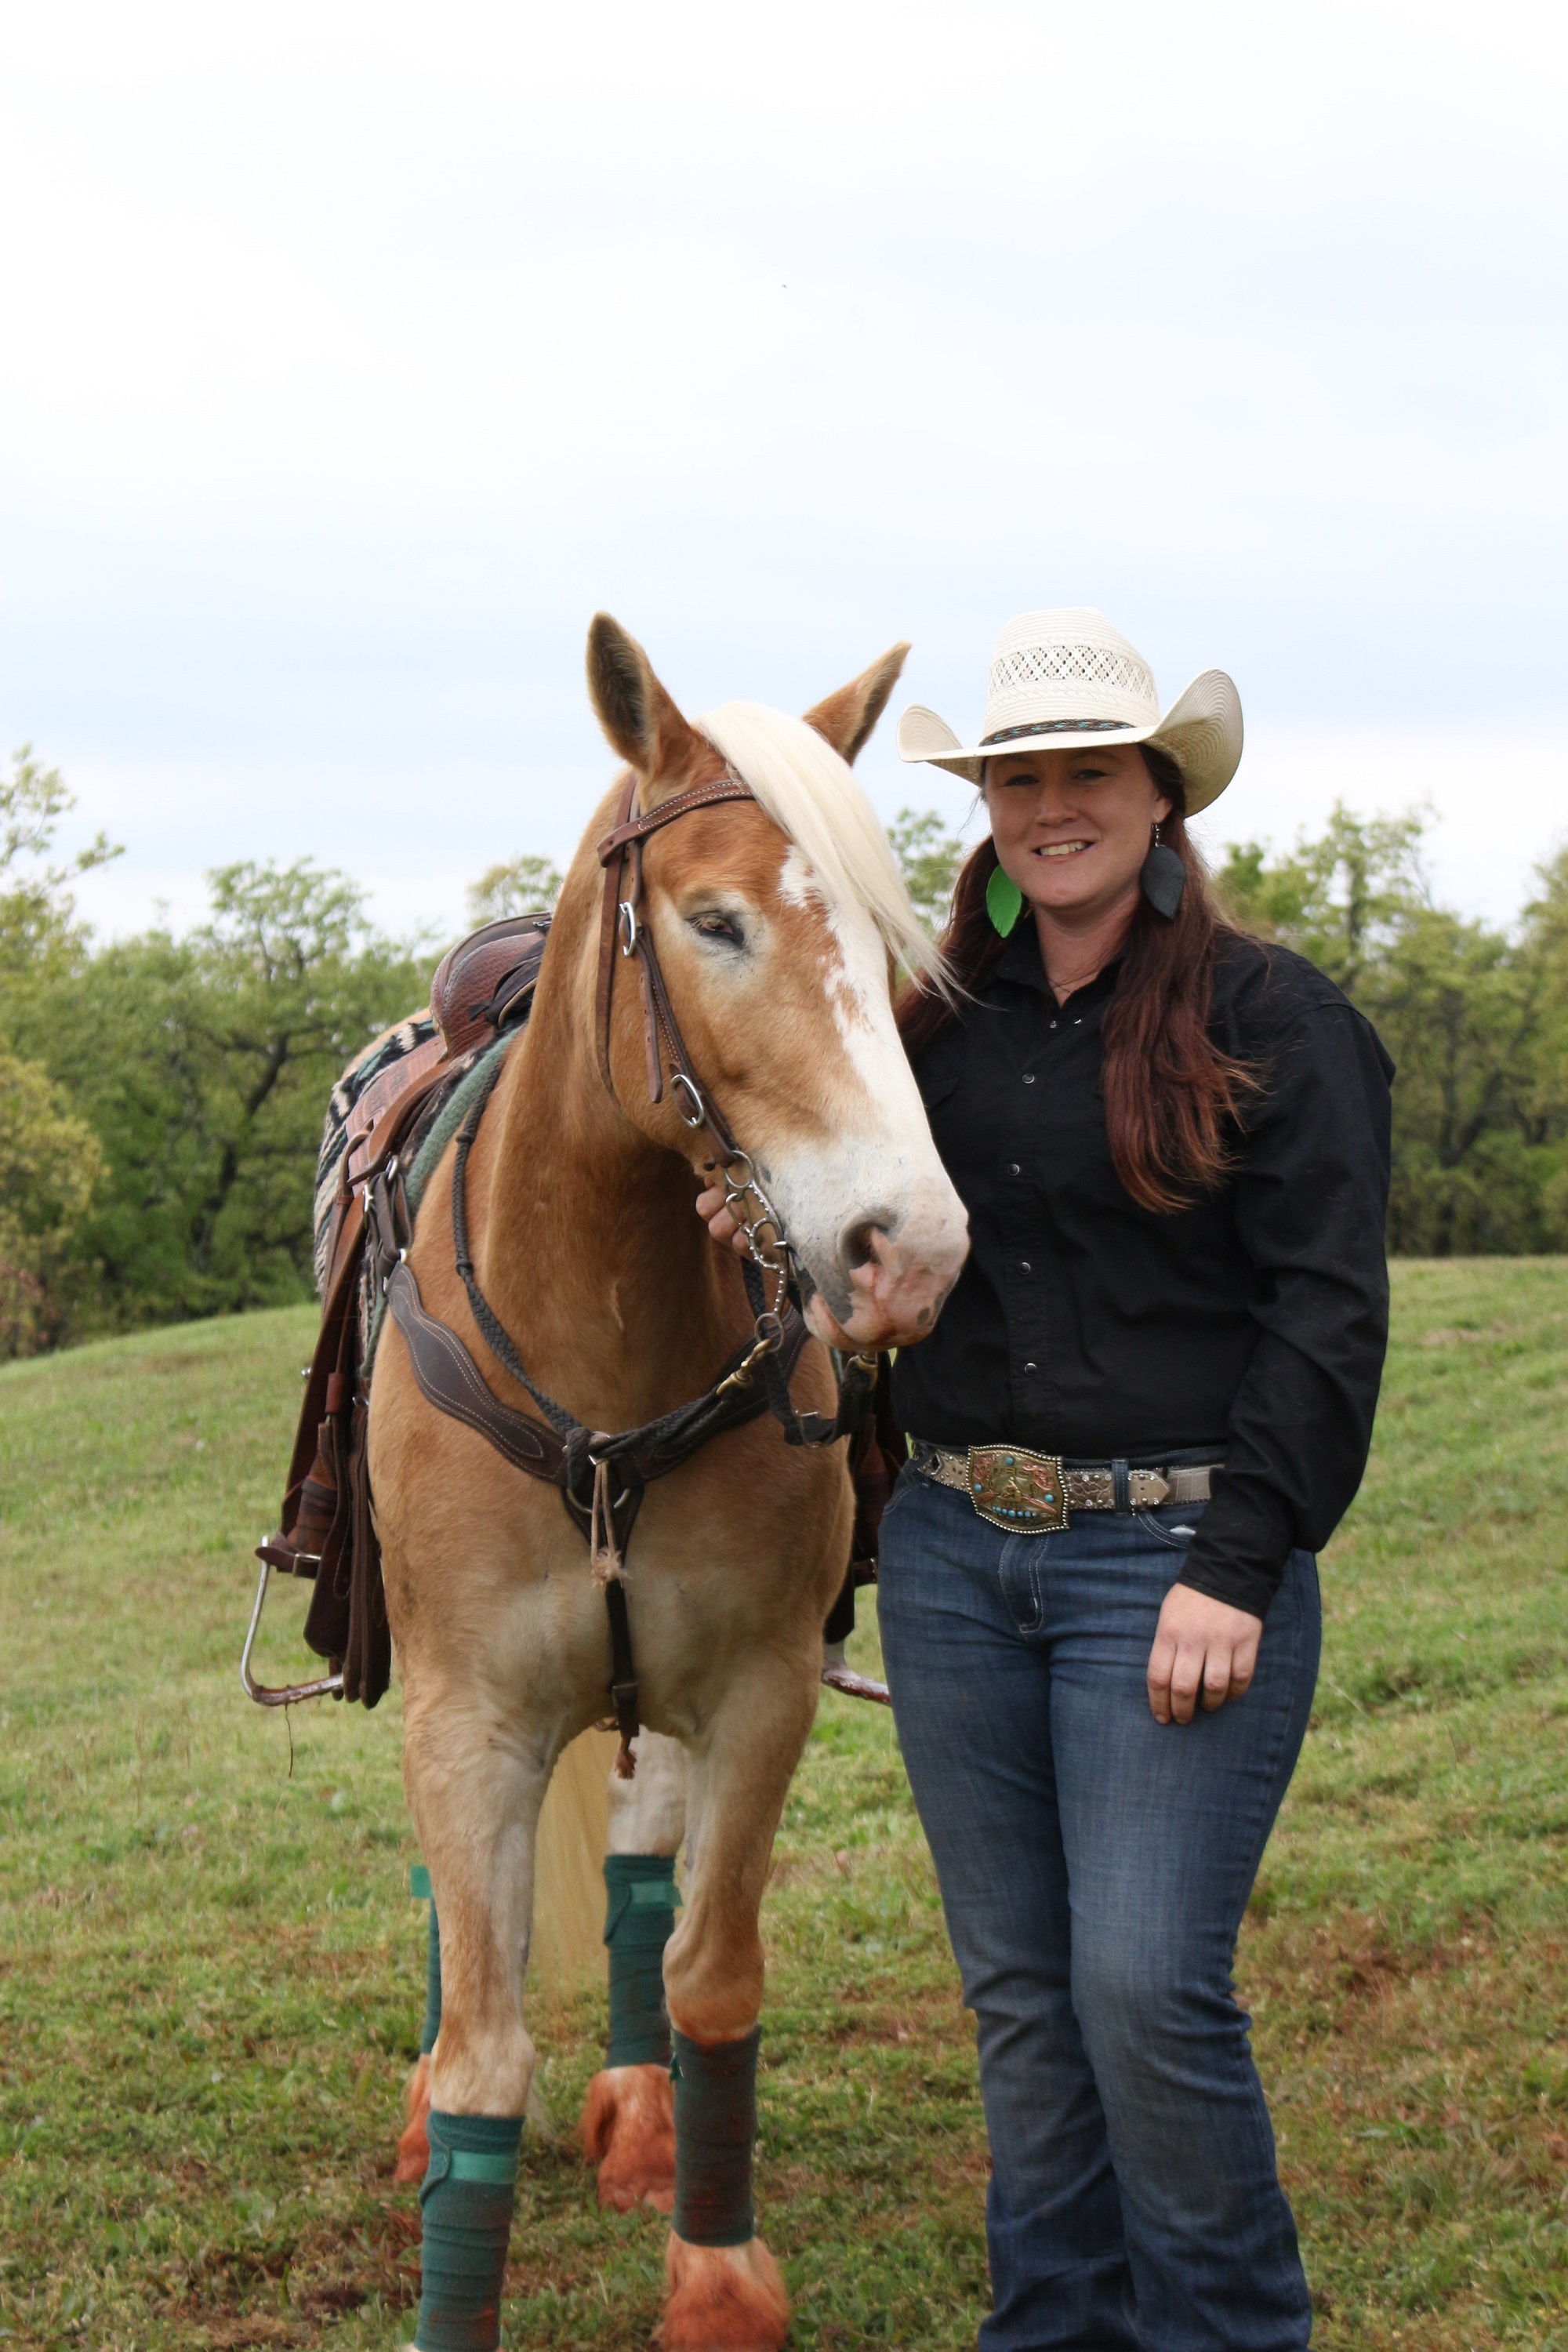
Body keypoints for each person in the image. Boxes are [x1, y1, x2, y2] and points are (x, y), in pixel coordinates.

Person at [702, 608, 1393, 2350]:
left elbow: (1324, 1320)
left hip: (1167, 1556)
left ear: (1160, 798)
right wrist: (791, 1262)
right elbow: (886, 1284)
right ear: (986, 806)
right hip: (951, 1553)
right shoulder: (931, 1026)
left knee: (1143, 1988)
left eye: (1088, 773)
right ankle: (1055, 2327)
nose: (1050, 808)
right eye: (1018, 780)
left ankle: (1226, 2334)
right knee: (1019, 2000)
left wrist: (1236, 1567)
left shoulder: (1272, 1018)